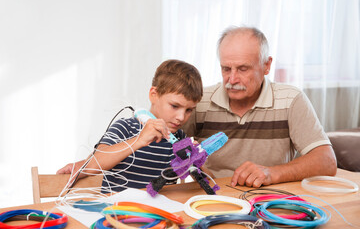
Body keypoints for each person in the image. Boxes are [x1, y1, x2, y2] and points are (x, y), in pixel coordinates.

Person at [182, 26, 337, 188]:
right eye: (226, 69)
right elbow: (163, 144)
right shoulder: (200, 101)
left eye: (243, 69)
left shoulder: (290, 100)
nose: (232, 79)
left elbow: (326, 161)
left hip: (269, 200)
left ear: (267, 65)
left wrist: (272, 173)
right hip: (214, 197)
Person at [57, 59, 203, 192]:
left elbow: (198, 180)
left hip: (158, 216)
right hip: (117, 213)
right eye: (174, 106)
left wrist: (197, 160)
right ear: (154, 95)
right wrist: (139, 140)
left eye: (189, 110)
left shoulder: (180, 138)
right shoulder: (126, 127)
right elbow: (95, 163)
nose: (181, 117)